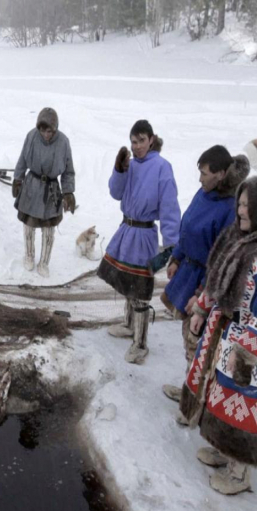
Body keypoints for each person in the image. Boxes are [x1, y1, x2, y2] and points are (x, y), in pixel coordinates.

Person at [180, 175, 257, 496]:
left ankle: (240, 473)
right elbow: (218, 281)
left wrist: (248, 349)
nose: (239, 210)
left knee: (242, 403)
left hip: (248, 343)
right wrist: (202, 309)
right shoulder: (240, 239)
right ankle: (225, 451)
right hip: (226, 330)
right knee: (218, 393)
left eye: (246, 205)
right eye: (239, 203)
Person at [161, 147, 249, 402]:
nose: (200, 178)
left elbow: (220, 259)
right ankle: (190, 387)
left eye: (205, 173)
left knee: (197, 340)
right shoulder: (204, 193)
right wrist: (177, 256)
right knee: (188, 336)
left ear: (221, 174)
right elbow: (187, 226)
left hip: (205, 281)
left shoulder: (228, 210)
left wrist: (201, 295)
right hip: (188, 271)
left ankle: (196, 399)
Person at [98, 119, 180, 364]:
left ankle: (141, 343)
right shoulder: (131, 165)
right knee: (125, 282)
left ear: (151, 140)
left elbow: (169, 207)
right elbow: (115, 193)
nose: (137, 146)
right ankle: (128, 324)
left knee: (140, 290)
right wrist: (120, 169)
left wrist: (171, 244)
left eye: (142, 141)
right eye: (133, 141)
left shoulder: (163, 167)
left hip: (144, 234)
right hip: (126, 229)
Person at [12, 107, 76, 278]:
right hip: (32, 185)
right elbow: (22, 159)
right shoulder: (31, 136)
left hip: (51, 189)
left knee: (48, 229)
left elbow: (68, 171)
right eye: (42, 130)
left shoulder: (63, 142)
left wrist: (68, 192)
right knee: (29, 225)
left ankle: (44, 262)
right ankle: (29, 255)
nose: (46, 134)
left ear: (55, 128)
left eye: (49, 131)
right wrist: (18, 178)